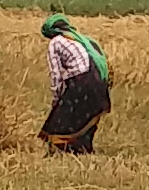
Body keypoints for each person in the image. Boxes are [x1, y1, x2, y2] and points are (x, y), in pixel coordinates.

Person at [37, 12, 112, 152]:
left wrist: (56, 97)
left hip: (82, 79)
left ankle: (62, 149)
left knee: (61, 118)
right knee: (86, 115)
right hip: (99, 82)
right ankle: (83, 148)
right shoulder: (84, 40)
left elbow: (56, 75)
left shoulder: (56, 42)